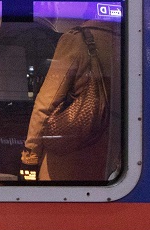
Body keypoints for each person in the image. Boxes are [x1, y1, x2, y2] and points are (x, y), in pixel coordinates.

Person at [21, 19, 121, 181]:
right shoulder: (126, 42)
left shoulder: (78, 39)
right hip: (108, 161)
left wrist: (30, 157)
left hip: (68, 157)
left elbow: (46, 104)